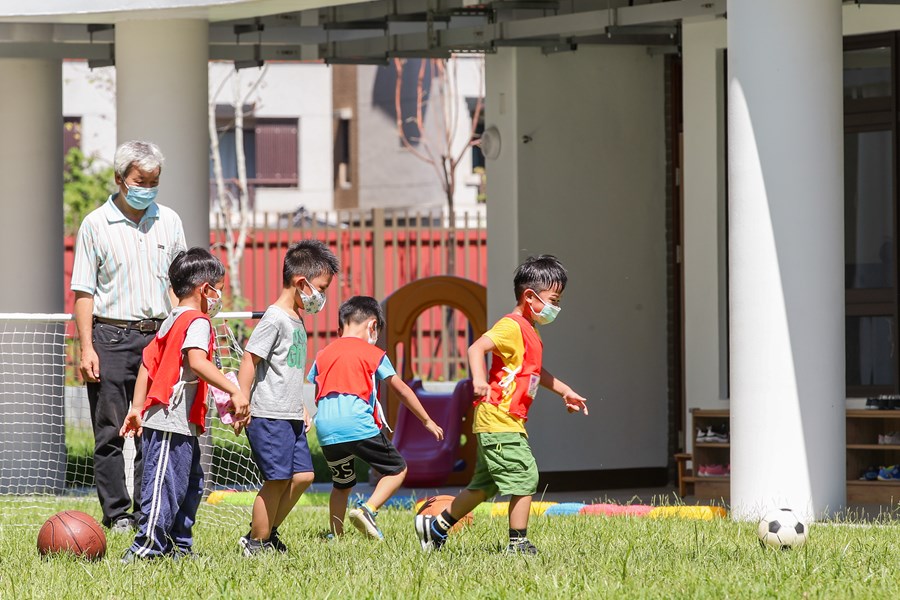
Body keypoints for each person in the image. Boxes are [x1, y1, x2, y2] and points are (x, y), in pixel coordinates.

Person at [415, 255, 588, 555]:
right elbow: (476, 347)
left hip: (504, 420)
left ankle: (437, 528)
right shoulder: (512, 326)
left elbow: (534, 372)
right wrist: (479, 379)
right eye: (553, 300)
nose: (556, 308)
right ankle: (517, 543)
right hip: (499, 417)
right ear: (529, 296)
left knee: (485, 486)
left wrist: (564, 391)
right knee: (526, 476)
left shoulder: (531, 331)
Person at [70, 140, 186, 532]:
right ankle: (117, 514)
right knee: (110, 433)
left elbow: (182, 283)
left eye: (155, 180)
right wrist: (86, 347)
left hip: (159, 338)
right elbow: (84, 291)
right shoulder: (94, 224)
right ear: (120, 179)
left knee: (154, 431)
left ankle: (147, 511)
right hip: (110, 338)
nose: (148, 187)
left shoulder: (169, 220)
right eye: (141, 180)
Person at [119, 248, 248, 561]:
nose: (219, 296)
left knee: (190, 484)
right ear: (205, 290)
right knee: (163, 484)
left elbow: (147, 365)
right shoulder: (198, 321)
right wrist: (235, 390)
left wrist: (136, 407)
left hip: (178, 421)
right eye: (218, 288)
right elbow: (197, 361)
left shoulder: (171, 320)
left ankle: (178, 547)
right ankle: (145, 549)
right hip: (167, 419)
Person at [308, 296, 444, 540]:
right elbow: (400, 388)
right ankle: (368, 510)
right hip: (357, 424)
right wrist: (426, 420)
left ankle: (336, 536)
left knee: (342, 483)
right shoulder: (373, 353)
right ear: (372, 326)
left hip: (326, 429)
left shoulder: (323, 354)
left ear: (342, 326)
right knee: (397, 469)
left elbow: (315, 389)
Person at [236, 240, 340, 556]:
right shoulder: (275, 318)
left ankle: (265, 533)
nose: (321, 297)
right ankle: (256, 542)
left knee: (305, 476)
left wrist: (302, 408)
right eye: (321, 288)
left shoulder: (295, 318)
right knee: (277, 480)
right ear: (301, 282)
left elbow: (288, 372)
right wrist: (241, 399)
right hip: (269, 414)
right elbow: (249, 359)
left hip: (291, 414)